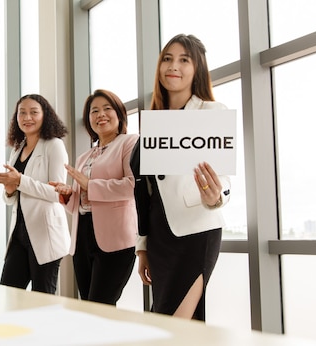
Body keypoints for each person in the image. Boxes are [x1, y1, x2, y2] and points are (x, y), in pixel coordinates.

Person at [130, 34, 231, 321]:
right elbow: (145, 194)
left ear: (196, 69)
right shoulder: (152, 122)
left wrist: (216, 196)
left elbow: (224, 178)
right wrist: (142, 246)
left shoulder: (211, 112)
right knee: (185, 328)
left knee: (169, 325)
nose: (173, 66)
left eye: (184, 60)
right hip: (159, 236)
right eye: (167, 59)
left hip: (196, 232)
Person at [51, 89, 139, 305]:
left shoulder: (130, 143)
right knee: (89, 305)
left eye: (107, 109)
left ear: (119, 114)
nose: (101, 115)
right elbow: (79, 205)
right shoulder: (84, 156)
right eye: (94, 111)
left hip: (115, 237)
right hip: (82, 236)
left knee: (101, 304)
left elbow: (132, 186)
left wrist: (90, 185)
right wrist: (67, 195)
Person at [0, 94, 70, 294]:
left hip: (45, 233)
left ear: (45, 115)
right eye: (22, 113)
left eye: (34, 112)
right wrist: (9, 190)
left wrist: (19, 181)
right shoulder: (17, 148)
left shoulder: (54, 145)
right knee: (8, 294)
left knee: (43, 297)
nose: (27, 117)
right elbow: (13, 197)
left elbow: (56, 193)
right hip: (19, 232)